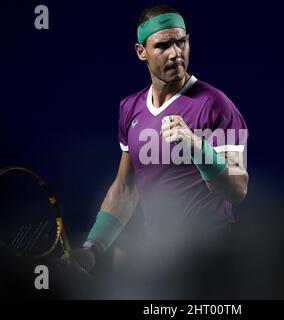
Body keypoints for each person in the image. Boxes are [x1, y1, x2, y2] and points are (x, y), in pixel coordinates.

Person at [72, 4, 249, 297]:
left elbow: (238, 189)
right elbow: (125, 190)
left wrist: (195, 145)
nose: (175, 53)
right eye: (163, 45)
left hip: (210, 259)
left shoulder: (217, 105)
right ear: (141, 51)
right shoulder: (130, 108)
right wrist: (93, 246)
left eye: (181, 42)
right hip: (159, 261)